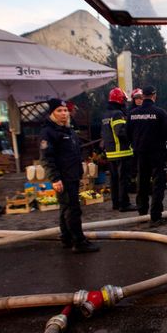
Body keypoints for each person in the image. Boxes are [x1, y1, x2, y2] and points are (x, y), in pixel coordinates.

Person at [40, 98, 99, 253]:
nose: (64, 113)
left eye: (65, 110)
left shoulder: (68, 130)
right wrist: (55, 179)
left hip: (72, 175)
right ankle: (79, 242)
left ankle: (66, 238)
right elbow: (46, 158)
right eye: (59, 110)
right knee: (73, 209)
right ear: (52, 113)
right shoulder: (48, 132)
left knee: (65, 208)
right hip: (63, 177)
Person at [127, 85, 167, 227]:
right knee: (158, 183)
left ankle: (142, 214)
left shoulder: (132, 114)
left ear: (142, 96)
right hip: (157, 153)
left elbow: (127, 133)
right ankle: (155, 216)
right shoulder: (160, 113)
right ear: (154, 95)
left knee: (142, 181)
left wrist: (137, 143)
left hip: (140, 153)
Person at [101, 87, 137, 212]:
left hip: (111, 153)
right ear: (120, 100)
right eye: (123, 100)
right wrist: (132, 134)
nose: (125, 103)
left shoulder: (106, 114)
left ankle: (116, 203)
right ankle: (124, 204)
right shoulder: (117, 114)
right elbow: (121, 132)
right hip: (122, 152)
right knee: (123, 180)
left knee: (114, 180)